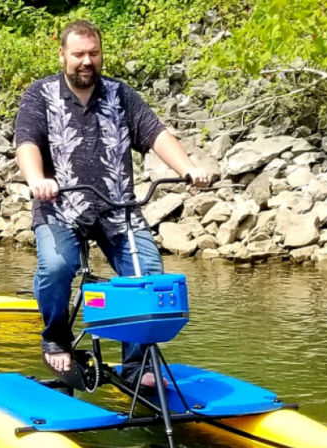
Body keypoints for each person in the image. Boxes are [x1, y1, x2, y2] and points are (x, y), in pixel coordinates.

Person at [15, 20, 211, 387]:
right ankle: (56, 338)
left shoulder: (121, 95)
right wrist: (37, 180)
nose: (86, 61)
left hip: (118, 210)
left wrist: (188, 169)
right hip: (60, 207)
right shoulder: (40, 95)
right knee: (58, 266)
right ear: (62, 55)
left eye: (93, 53)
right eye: (78, 55)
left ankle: (137, 365)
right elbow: (26, 142)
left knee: (147, 277)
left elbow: (157, 134)